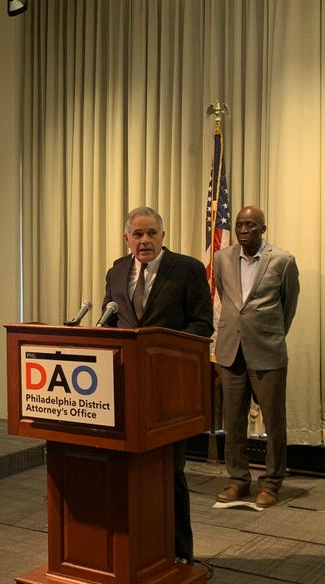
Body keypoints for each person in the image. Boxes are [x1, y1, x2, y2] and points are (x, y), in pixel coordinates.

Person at [101, 206, 213, 564]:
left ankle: (181, 552)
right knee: (127, 472)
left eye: (151, 233)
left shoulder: (188, 269)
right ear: (126, 238)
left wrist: (162, 348)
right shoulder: (117, 271)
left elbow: (202, 324)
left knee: (169, 471)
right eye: (138, 234)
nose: (145, 240)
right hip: (123, 390)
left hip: (167, 389)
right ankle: (135, 550)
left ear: (163, 236)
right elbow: (109, 320)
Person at [213, 205, 299, 508]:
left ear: (263, 228)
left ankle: (272, 482)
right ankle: (238, 480)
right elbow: (226, 298)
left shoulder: (283, 261)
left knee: (274, 421)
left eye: (250, 225)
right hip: (230, 350)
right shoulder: (222, 258)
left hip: (267, 351)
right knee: (233, 420)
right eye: (239, 224)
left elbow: (287, 307)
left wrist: (268, 334)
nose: (243, 230)